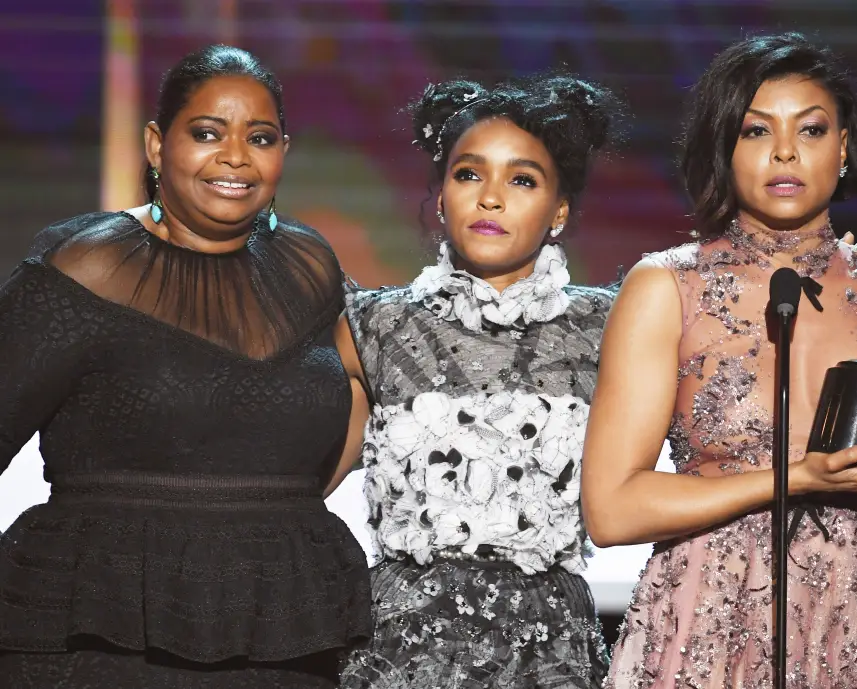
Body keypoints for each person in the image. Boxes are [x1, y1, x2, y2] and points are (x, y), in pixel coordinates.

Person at [583, 33, 857, 689]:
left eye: (811, 129)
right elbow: (612, 507)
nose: (786, 152)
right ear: (724, 147)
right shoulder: (667, 287)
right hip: (709, 618)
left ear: (843, 146)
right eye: (757, 130)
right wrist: (800, 476)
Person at [0, 45, 371, 686]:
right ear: (154, 144)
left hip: (282, 631)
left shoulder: (311, 266)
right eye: (206, 133)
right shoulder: (86, 266)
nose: (234, 157)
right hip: (101, 632)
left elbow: (366, 382)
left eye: (260, 137)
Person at [334, 74, 624, 688]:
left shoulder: (611, 326)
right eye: (469, 174)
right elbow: (296, 481)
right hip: (404, 653)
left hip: (548, 653)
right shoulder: (374, 326)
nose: (490, 197)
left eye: (522, 180)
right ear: (441, 198)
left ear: (560, 211)